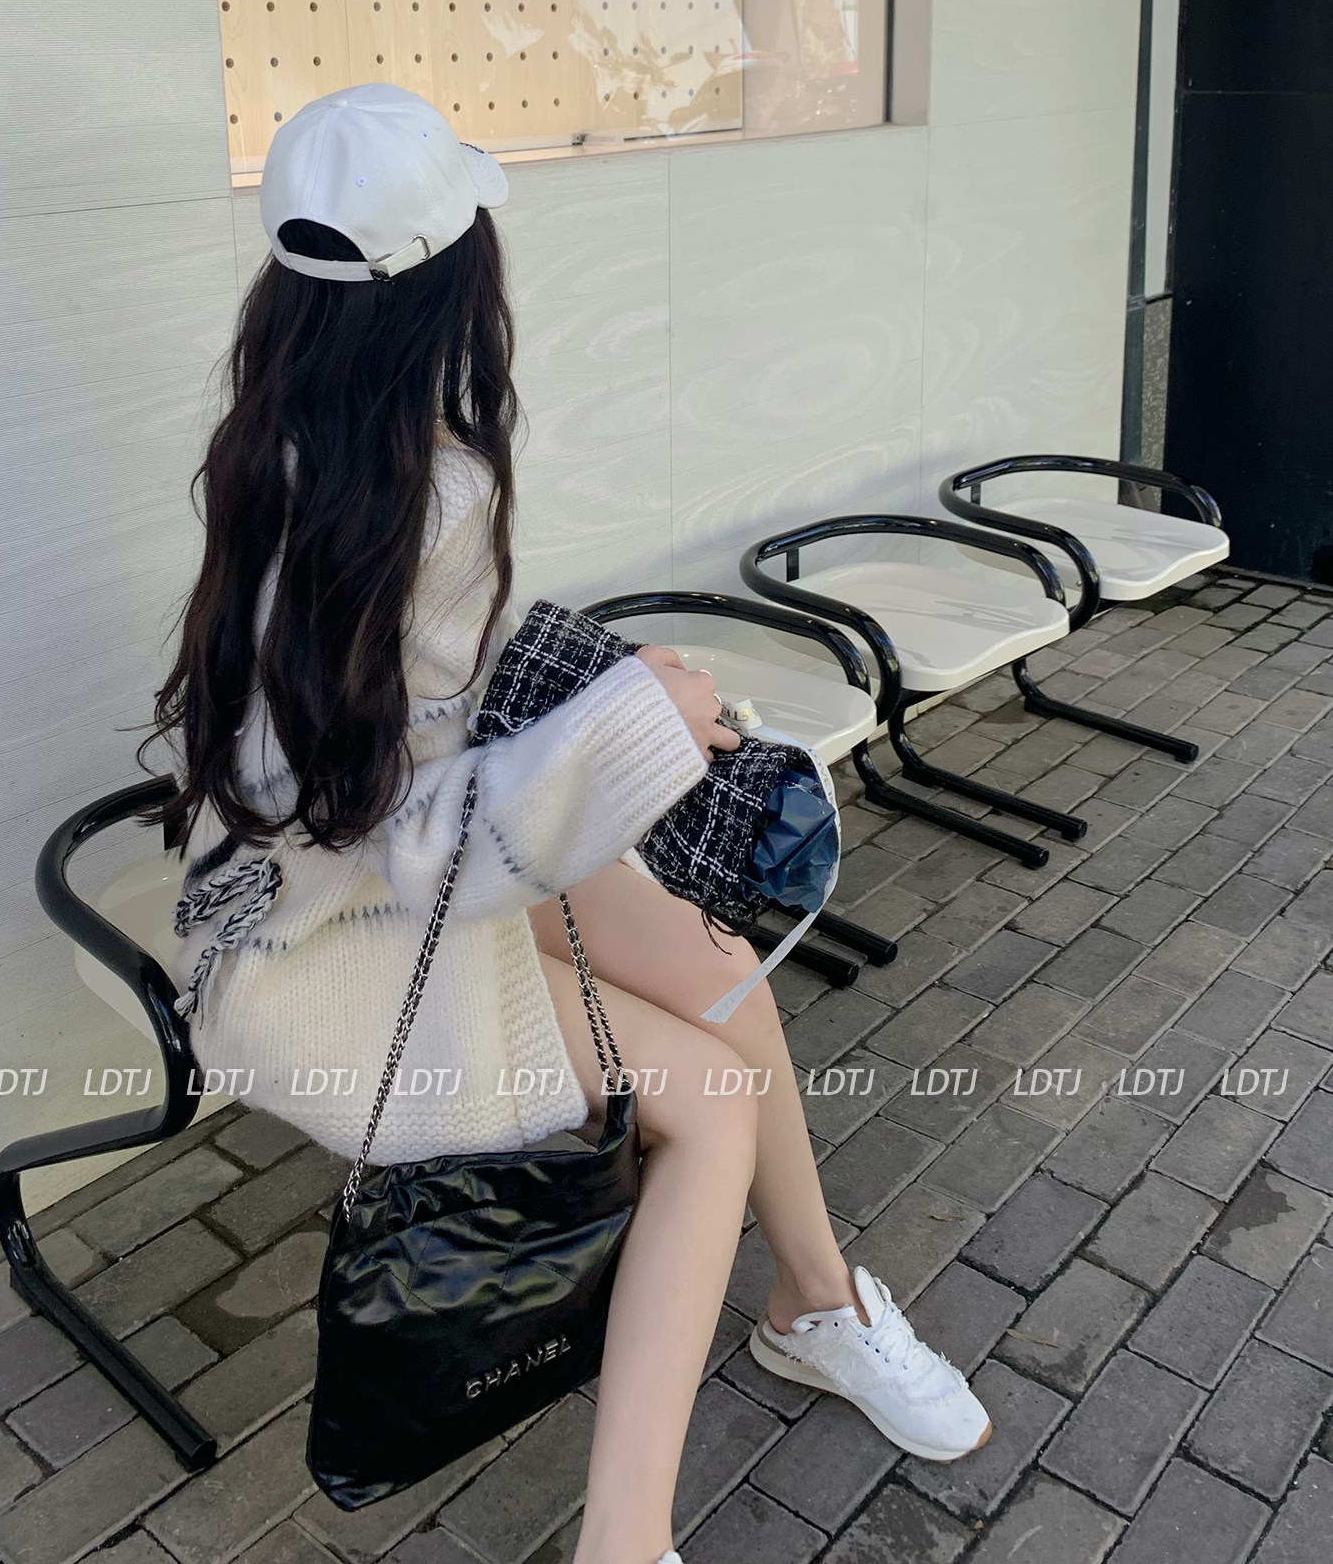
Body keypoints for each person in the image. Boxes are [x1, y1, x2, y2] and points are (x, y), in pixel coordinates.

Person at [151, 85, 991, 1564]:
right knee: (709, 1106)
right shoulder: (422, 491)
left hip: (373, 886)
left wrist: (614, 690)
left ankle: (815, 1305)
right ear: (451, 280)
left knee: (721, 976)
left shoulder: (288, 443)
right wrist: (630, 730)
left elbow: (406, 723)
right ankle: (626, 1542)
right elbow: (382, 831)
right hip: (337, 963)